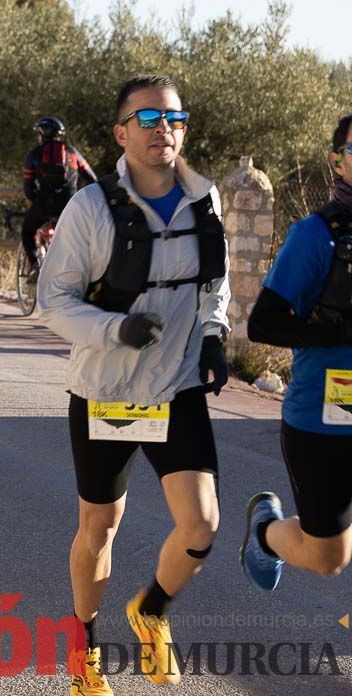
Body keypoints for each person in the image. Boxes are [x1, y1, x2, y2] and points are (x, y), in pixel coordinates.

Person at [37, 75, 231, 696]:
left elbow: (214, 285)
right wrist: (116, 328)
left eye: (173, 118)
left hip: (175, 387)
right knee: (101, 525)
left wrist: (215, 335)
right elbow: (53, 302)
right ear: (121, 133)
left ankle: (150, 609)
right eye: (147, 119)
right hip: (105, 391)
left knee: (201, 524)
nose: (162, 129)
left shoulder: (206, 201)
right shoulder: (91, 208)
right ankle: (84, 641)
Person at [240, 113, 352, 589]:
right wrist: (337, 332)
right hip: (327, 415)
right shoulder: (316, 235)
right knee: (327, 558)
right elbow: (263, 322)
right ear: (337, 161)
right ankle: (265, 533)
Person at [21, 116, 96, 273]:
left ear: (42, 134)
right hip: (70, 204)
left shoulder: (35, 154)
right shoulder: (73, 153)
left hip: (45, 203)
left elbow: (28, 187)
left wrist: (35, 202)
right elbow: (92, 179)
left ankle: (35, 266)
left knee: (27, 231)